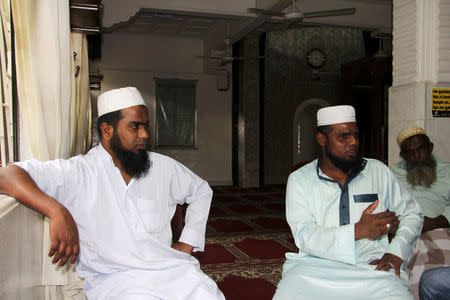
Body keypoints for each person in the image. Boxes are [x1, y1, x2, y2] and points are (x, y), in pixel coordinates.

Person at [0, 87, 225, 300]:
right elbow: (7, 175)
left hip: (172, 269)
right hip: (116, 280)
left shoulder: (161, 166)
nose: (144, 134)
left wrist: (188, 242)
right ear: (107, 130)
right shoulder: (79, 172)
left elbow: (201, 190)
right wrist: (57, 211)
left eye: (146, 125)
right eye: (135, 126)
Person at [273, 105, 423, 300]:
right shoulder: (300, 179)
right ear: (322, 139)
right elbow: (304, 234)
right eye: (343, 136)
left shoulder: (378, 171)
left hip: (372, 266)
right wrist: (357, 231)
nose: (353, 142)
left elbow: (412, 213)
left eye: (356, 135)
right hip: (314, 267)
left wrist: (397, 252)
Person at [390, 126, 450, 233]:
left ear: (430, 147)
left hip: (438, 230)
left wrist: (435, 222)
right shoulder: (390, 174)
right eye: (410, 152)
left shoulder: (448, 171)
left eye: (421, 149)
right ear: (402, 155)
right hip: (401, 231)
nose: (417, 155)